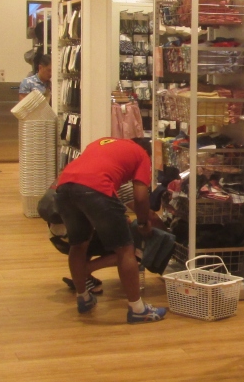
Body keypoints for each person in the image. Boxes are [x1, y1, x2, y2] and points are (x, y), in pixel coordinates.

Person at [53, 137, 167, 322]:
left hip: (63, 187)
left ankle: (83, 297)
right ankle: (138, 309)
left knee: (78, 245)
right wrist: (142, 222)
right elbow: (140, 197)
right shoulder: (142, 155)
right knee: (125, 249)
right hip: (96, 189)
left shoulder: (101, 142)